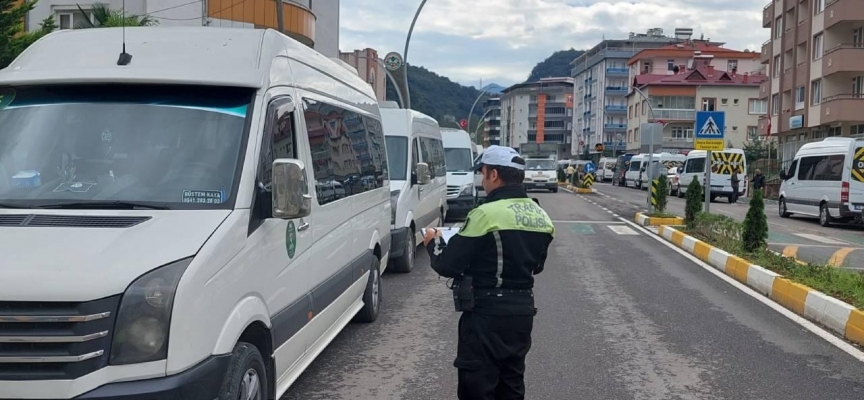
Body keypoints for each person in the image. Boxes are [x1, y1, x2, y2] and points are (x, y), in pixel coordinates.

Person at [422, 145, 555, 400]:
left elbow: (448, 264)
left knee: (477, 385)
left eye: (483, 173)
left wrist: (433, 242)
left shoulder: (485, 214)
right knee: (511, 383)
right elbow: (537, 266)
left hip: (486, 315)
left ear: (494, 175)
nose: (482, 180)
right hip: (522, 313)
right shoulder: (541, 215)